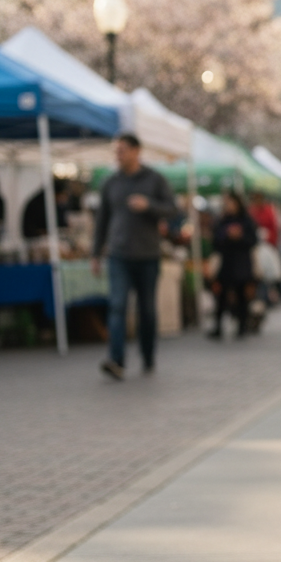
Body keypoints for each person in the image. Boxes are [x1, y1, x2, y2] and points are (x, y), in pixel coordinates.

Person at [92, 134, 178, 380]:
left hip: (148, 255)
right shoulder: (111, 183)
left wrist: (149, 205)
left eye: (122, 150)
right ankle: (116, 360)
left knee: (147, 310)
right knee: (117, 305)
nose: (118, 155)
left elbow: (173, 209)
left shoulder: (154, 179)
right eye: (116, 151)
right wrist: (95, 253)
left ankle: (148, 356)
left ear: (136, 151)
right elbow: (102, 221)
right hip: (119, 254)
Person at [208, 192, 257, 339]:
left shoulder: (246, 221)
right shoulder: (221, 221)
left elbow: (253, 241)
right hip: (227, 263)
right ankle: (218, 326)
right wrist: (227, 236)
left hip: (242, 263)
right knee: (221, 296)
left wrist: (240, 237)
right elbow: (215, 242)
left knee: (242, 295)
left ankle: (242, 326)